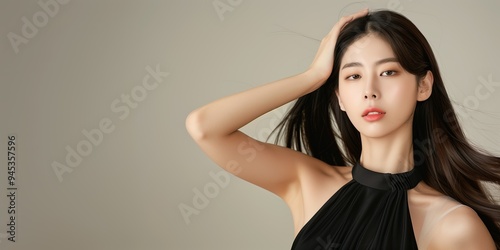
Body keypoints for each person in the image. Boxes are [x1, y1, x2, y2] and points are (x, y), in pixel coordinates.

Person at [186, 8, 500, 249]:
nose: (370, 90)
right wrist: (311, 77)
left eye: (388, 72)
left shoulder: (453, 226)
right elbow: (204, 127)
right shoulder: (307, 182)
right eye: (353, 76)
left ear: (423, 85)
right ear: (339, 96)